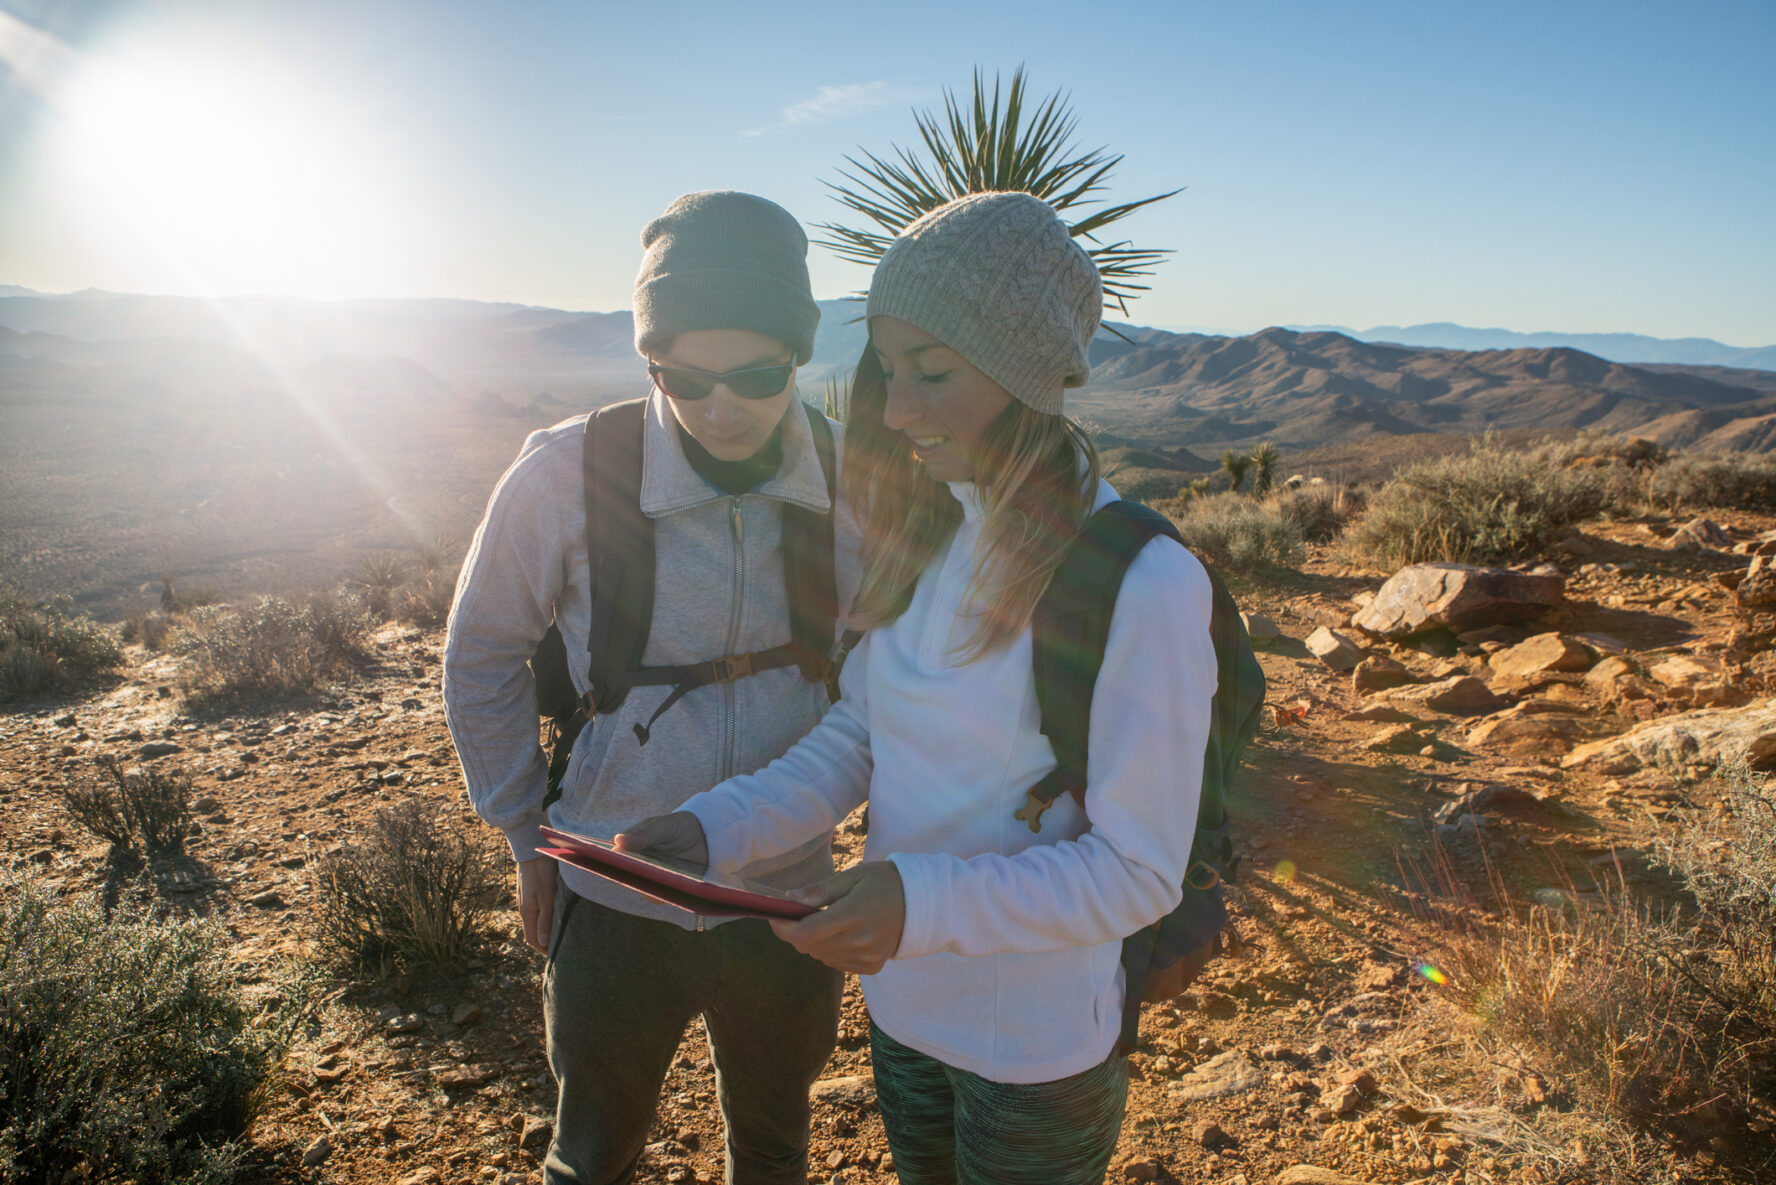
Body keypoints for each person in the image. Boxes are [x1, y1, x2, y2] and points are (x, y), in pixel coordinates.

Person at [619, 191, 1218, 1185]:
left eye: (932, 373)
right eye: (889, 371)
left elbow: (1138, 871)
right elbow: (862, 732)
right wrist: (718, 827)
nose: (896, 411)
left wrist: (915, 904)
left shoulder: (1141, 581)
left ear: (1024, 372)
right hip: (903, 1012)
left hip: (1034, 1051)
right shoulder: (934, 529)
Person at [443, 190, 860, 1185]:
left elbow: (885, 692)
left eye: (756, 377)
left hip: (785, 893)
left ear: (799, 355)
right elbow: (483, 652)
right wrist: (520, 833)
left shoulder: (855, 485)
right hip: (607, 880)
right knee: (591, 1154)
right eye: (683, 377)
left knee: (774, 1147)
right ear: (650, 358)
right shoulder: (568, 474)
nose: (720, 408)